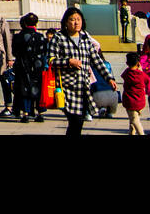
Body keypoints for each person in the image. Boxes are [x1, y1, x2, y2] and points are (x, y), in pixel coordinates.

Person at [46, 7, 116, 135]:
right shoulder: (59, 38)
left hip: (83, 87)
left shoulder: (85, 39)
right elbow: (50, 60)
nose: (76, 23)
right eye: (72, 20)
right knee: (75, 121)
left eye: (78, 19)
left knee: (78, 124)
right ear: (66, 22)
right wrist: (68, 61)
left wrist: (109, 78)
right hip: (67, 87)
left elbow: (97, 60)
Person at [10, 12, 47, 123]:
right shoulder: (41, 37)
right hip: (38, 67)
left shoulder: (18, 36)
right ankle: (40, 114)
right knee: (38, 89)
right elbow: (44, 51)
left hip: (23, 66)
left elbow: (15, 52)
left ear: (25, 23)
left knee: (24, 89)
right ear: (36, 23)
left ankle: (25, 114)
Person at [121, 52, 147, 135]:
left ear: (127, 63)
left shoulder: (127, 73)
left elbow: (123, 75)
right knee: (133, 119)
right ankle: (131, 133)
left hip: (130, 101)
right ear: (138, 63)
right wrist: (141, 70)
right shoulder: (141, 75)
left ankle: (141, 133)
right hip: (140, 101)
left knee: (134, 120)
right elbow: (147, 80)